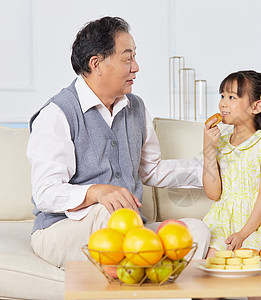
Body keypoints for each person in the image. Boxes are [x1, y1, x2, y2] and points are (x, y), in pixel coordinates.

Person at [26, 16, 210, 269]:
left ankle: (151, 285)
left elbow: (151, 170)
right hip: (61, 230)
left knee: (195, 232)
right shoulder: (58, 113)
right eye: (127, 58)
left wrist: (210, 170)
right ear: (96, 63)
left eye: (135, 57)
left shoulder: (135, 107)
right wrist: (94, 192)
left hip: (127, 229)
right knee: (107, 213)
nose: (136, 67)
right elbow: (45, 193)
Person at [202, 70, 261, 257]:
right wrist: (208, 148)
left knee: (246, 256)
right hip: (223, 218)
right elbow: (213, 194)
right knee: (210, 257)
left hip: (256, 221)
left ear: (256, 107)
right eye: (222, 95)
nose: (223, 103)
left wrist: (243, 234)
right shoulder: (221, 143)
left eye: (232, 97)